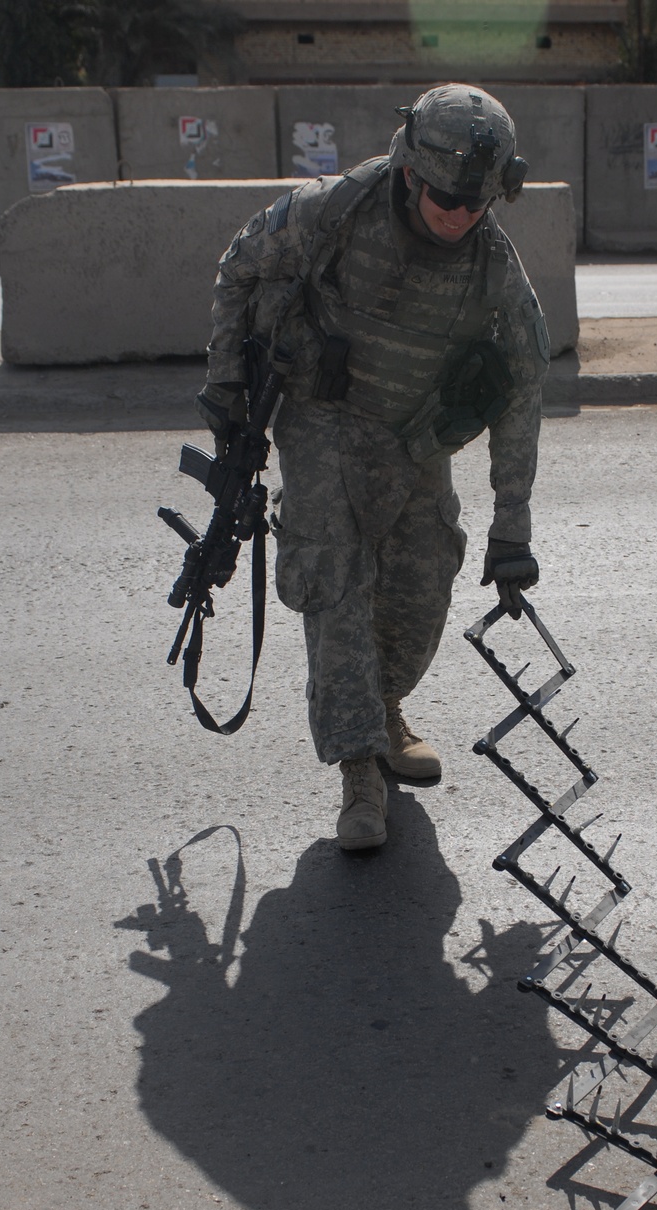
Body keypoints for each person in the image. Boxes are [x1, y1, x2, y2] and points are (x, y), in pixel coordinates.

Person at [196, 84, 549, 851]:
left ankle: (384, 709)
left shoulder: (492, 266)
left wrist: (511, 529)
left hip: (414, 438)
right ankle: (359, 768)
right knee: (336, 579)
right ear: (410, 172)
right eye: (444, 197)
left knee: (426, 579)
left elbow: (521, 390)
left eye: (474, 203)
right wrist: (226, 385)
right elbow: (239, 267)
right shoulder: (334, 210)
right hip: (324, 417)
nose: (457, 215)